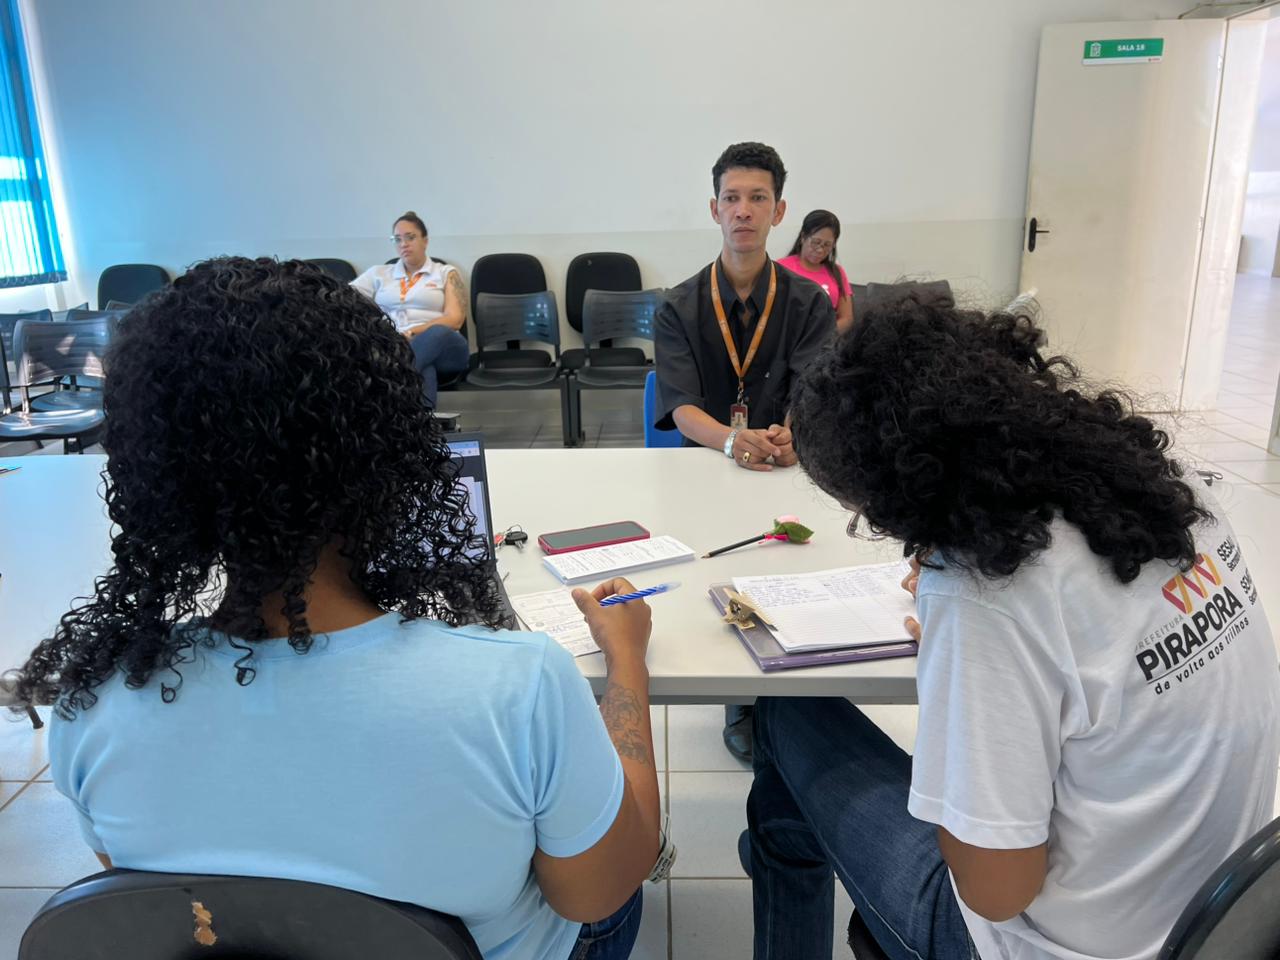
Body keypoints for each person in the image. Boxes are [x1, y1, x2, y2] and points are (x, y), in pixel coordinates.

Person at [16, 258, 661, 960]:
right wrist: (627, 661)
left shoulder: (92, 704)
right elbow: (596, 894)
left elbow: (170, 906)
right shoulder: (521, 686)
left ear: (151, 471)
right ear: (389, 447)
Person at [745, 299, 1280, 960]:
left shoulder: (986, 596)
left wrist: (962, 679)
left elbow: (996, 893)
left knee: (786, 715)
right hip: (1215, 922)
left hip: (1045, 946)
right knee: (787, 802)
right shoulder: (1162, 487)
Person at [653, 142, 836, 763]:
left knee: (791, 568)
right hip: (707, 460)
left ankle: (794, 687)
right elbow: (681, 406)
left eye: (758, 198)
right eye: (731, 198)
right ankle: (741, 695)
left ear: (779, 211)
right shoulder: (678, 305)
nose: (744, 210)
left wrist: (791, 434)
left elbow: (813, 388)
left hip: (783, 463)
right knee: (718, 569)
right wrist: (733, 440)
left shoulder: (809, 302)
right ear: (714, 209)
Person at [351, 211, 471, 409]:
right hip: (399, 347)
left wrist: (412, 332)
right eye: (397, 239)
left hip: (447, 349)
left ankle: (391, 379)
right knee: (424, 367)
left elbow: (455, 319)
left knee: (436, 333)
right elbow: (343, 298)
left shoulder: (445, 272)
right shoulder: (379, 273)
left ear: (425, 241)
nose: (404, 244)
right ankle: (422, 420)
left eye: (410, 237)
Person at [777, 209, 853, 332]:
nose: (820, 250)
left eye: (827, 245)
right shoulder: (781, 268)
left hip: (826, 339)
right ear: (803, 237)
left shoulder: (837, 272)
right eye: (816, 242)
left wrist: (824, 336)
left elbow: (846, 318)